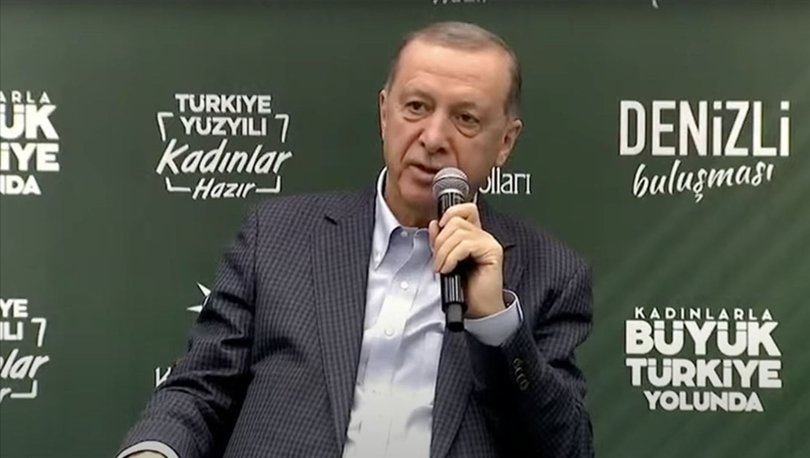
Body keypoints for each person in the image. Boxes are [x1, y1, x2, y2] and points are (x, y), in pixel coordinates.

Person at [118, 21, 594, 458]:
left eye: (465, 118)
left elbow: (567, 448)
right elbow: (200, 389)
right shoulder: (277, 236)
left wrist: (496, 324)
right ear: (385, 113)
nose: (433, 137)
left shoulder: (550, 274)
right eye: (416, 107)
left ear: (505, 142)